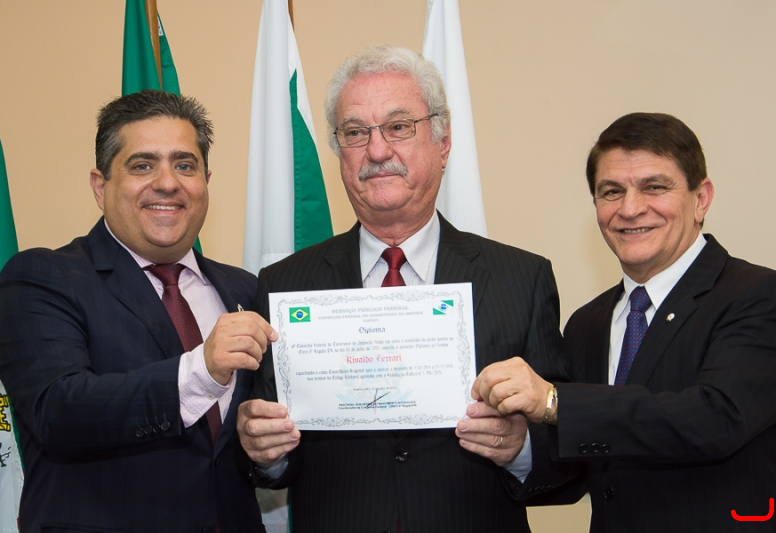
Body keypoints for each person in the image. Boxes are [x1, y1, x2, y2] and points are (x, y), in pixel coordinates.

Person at [236, 46, 565, 533]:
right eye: (355, 133)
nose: (377, 151)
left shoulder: (522, 278)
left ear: (443, 143)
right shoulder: (284, 284)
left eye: (398, 127)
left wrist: (521, 449)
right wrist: (265, 453)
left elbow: (566, 457)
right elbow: (274, 459)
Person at [472, 113, 776, 532]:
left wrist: (555, 403)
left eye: (655, 187)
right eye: (612, 191)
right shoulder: (587, 324)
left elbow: (713, 419)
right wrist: (517, 450)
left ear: (701, 199)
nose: (630, 209)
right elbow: (584, 463)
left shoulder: (757, 294)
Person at [0, 90, 277, 533]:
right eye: (143, 165)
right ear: (100, 186)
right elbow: (58, 412)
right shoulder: (42, 278)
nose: (168, 182)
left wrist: (271, 453)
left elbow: (246, 442)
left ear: (206, 181)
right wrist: (201, 370)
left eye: (185, 165)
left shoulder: (246, 288)